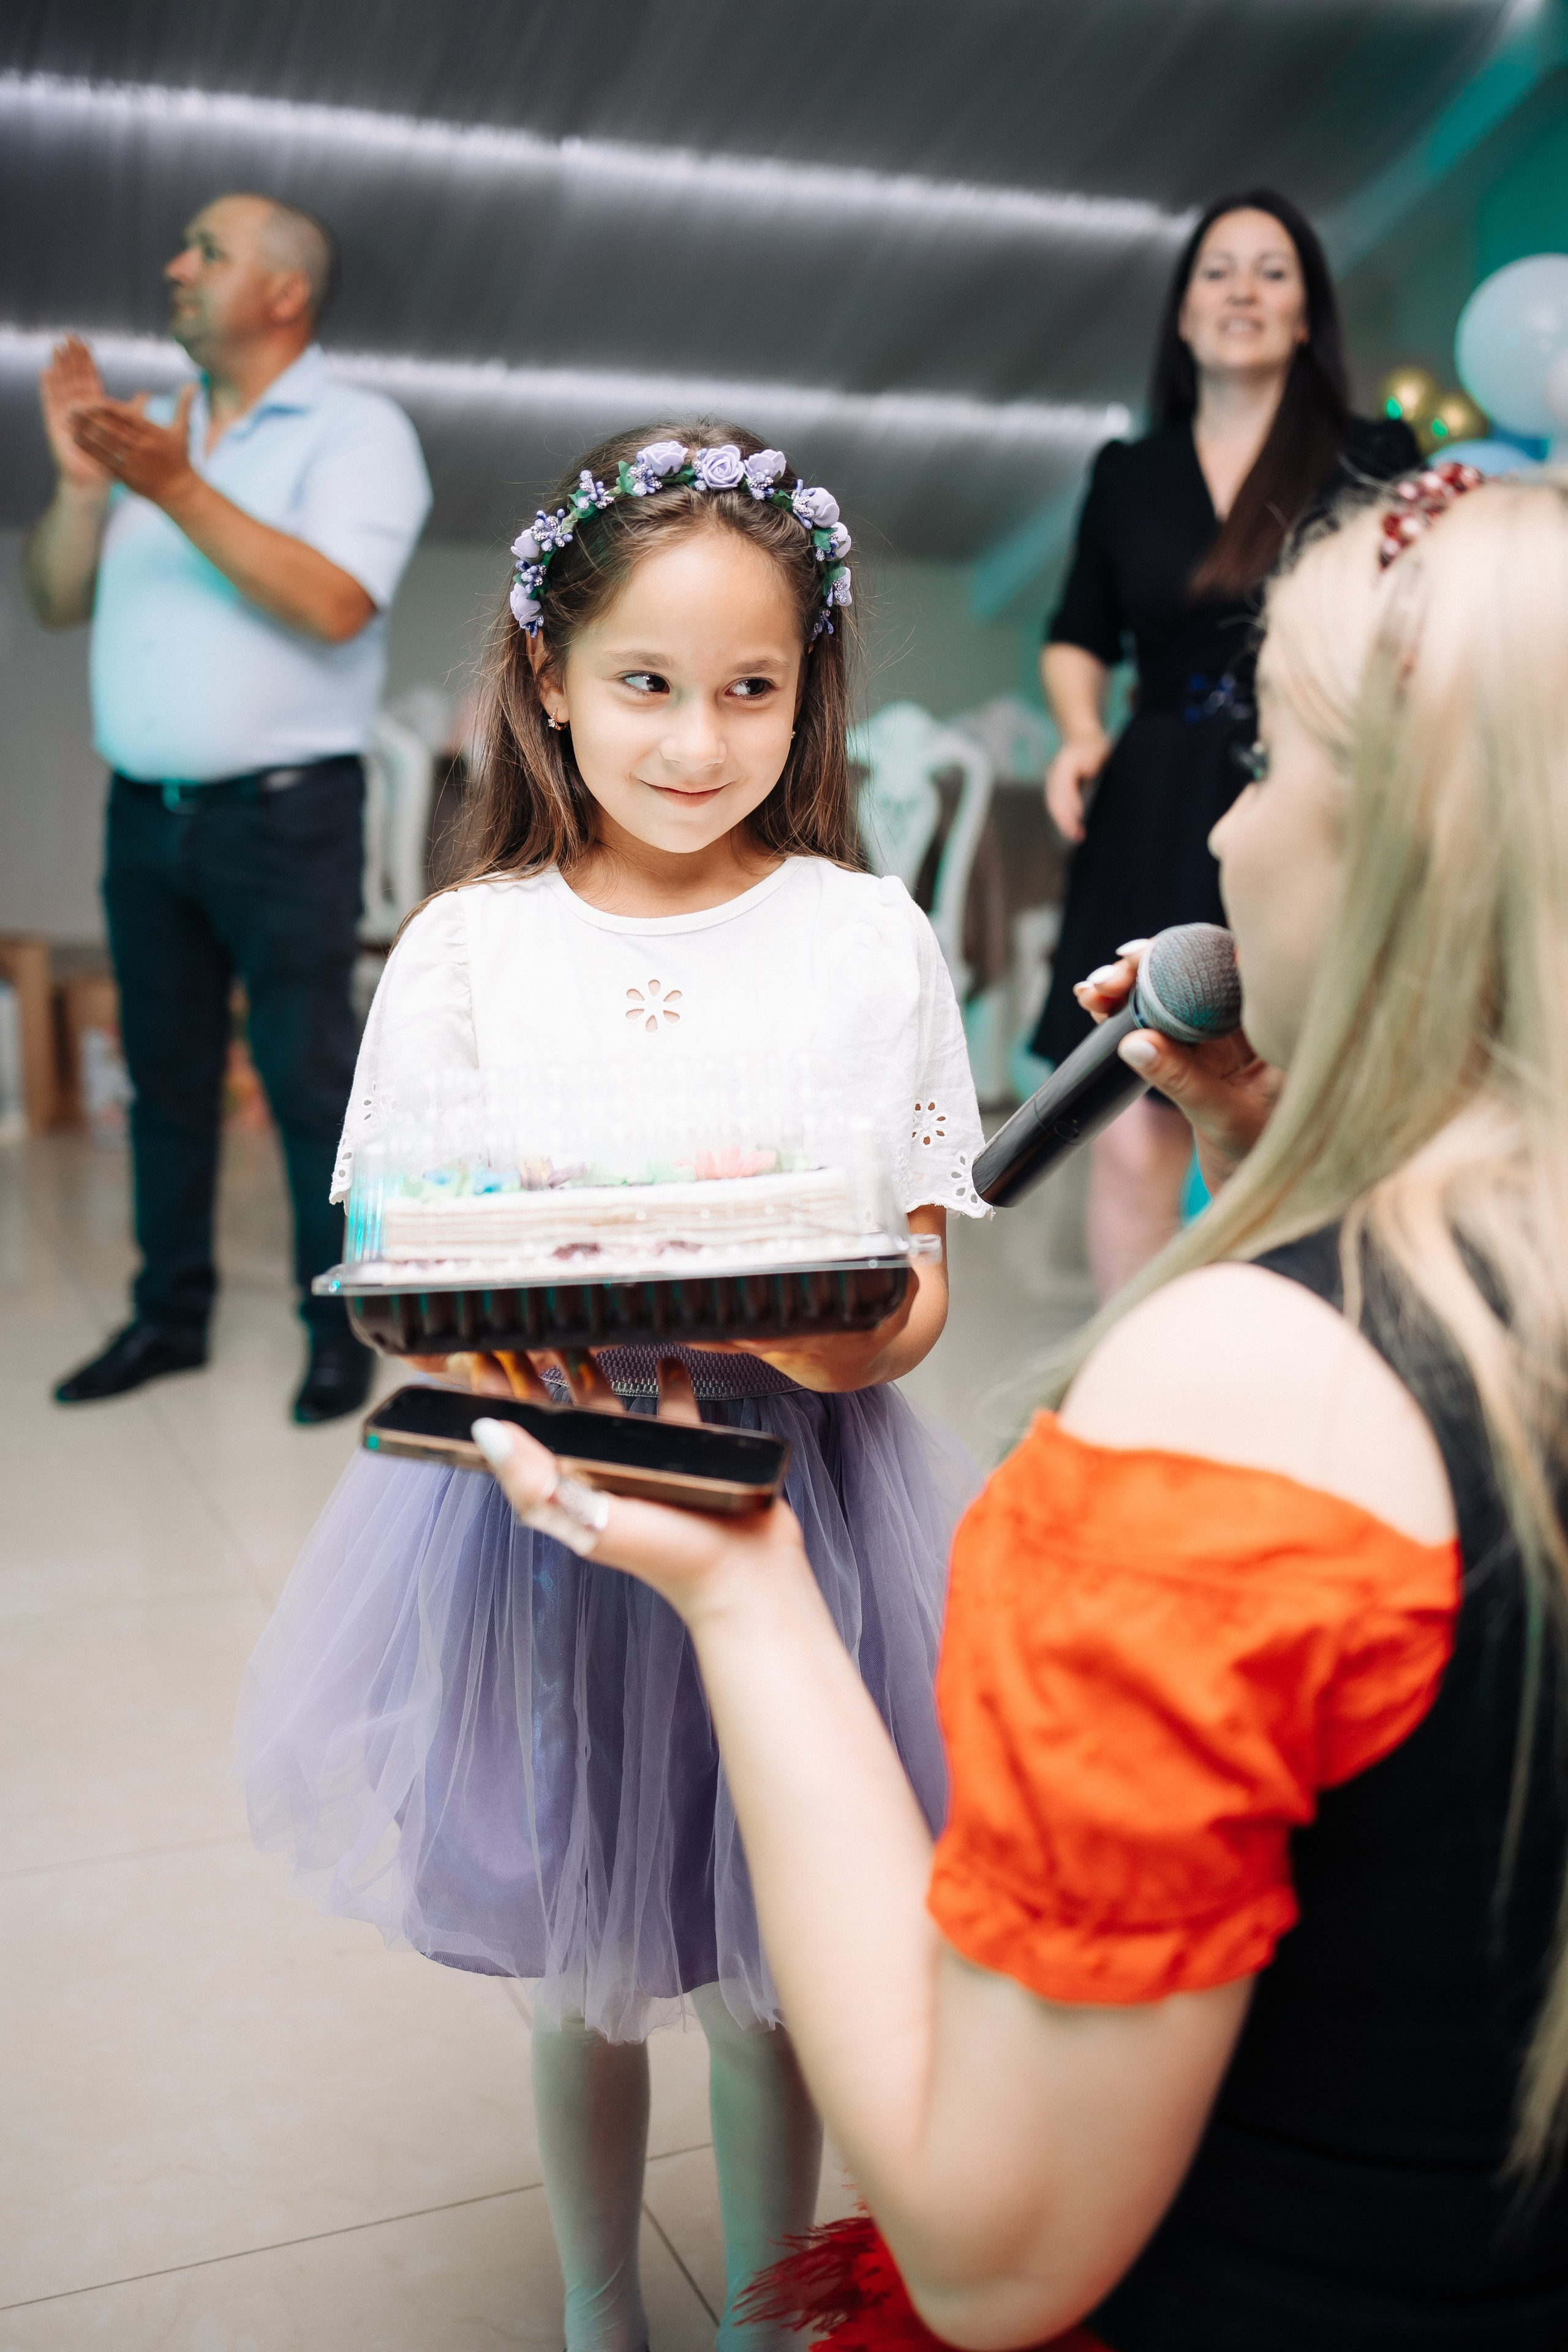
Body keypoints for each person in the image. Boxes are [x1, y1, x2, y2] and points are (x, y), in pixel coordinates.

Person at [477, 464, 1568, 2346]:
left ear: (1406, 847)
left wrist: (745, 1589)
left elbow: (990, 2249)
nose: (1216, 835)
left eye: (1262, 759)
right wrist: (1267, 1146)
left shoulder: (1243, 1388)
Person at [235, 423, 987, 2351]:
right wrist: (492, 1334)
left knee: (778, 1947)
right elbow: (406, 1279)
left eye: (751, 688)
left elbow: (914, 1288)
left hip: (794, 1484)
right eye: (643, 685)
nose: (695, 739)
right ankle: (594, 2310)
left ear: (809, 687)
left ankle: (761, 2309)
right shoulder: (472, 951)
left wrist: (845, 1331)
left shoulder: (861, 934)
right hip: (542, 1509)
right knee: (573, 1953)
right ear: (549, 684)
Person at [28, 192, 432, 1423]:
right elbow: (53, 599)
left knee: (309, 1076)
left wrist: (178, 487)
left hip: (285, 815)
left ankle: (338, 1324)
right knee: (163, 1078)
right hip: (146, 817)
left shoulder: (361, 433)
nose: (175, 265)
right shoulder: (150, 429)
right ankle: (168, 1317)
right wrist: (88, 491)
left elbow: (332, 604)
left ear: (284, 291)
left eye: (207, 250)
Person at [1033, 189, 1416, 1300]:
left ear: (1307, 317)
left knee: (1303, 1092)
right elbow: (1075, 637)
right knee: (1134, 1110)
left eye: (1273, 270)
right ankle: (1132, 1377)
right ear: (1185, 315)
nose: (1243, 290)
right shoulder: (1127, 471)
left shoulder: (1373, 449)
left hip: (1310, 788)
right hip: (1153, 794)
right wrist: (1076, 734)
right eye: (1218, 271)